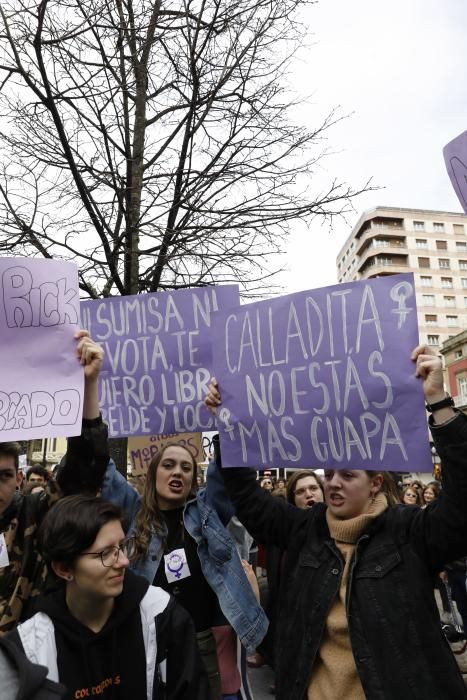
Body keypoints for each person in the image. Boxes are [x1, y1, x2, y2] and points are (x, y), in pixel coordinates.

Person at [206, 345, 467, 699]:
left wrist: (438, 403)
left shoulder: (409, 532)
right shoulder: (305, 529)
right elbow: (248, 497)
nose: (333, 483)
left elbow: (461, 505)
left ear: (375, 482)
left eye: (347, 475)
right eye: (329, 473)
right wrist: (227, 425)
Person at [100, 441, 267, 700]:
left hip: (202, 645)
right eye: (168, 465)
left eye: (186, 468)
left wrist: (226, 420)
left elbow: (226, 472)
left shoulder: (207, 514)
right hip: (144, 643)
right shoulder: (132, 511)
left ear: (193, 479)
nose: (177, 472)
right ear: (153, 474)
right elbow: (103, 471)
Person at [7, 495, 208, 699]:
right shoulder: (30, 647)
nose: (123, 562)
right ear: (64, 568)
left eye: (121, 546)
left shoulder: (161, 616)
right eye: (104, 553)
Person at [0, 331, 108, 633]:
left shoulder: (33, 517)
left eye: (4, 476)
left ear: (19, 478)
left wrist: (88, 385)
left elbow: (82, 473)